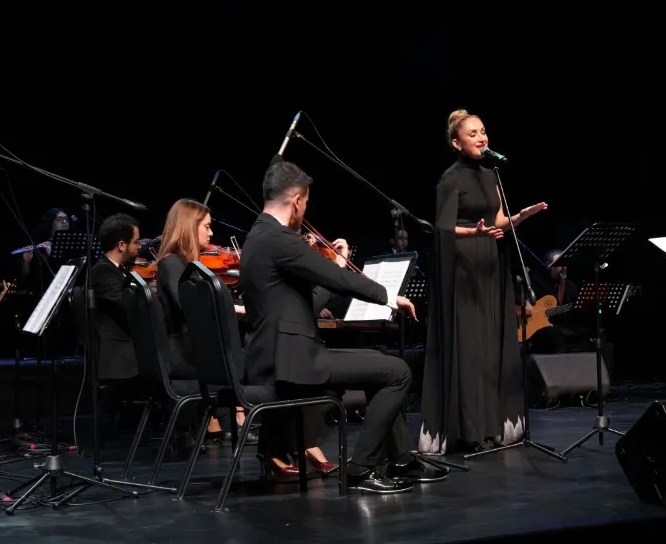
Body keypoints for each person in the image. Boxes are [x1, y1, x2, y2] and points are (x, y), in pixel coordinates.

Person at [239, 159, 442, 493]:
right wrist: (389, 297)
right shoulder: (279, 238)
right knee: (398, 372)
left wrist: (335, 266)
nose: (305, 210)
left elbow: (307, 300)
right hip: (293, 362)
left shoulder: (258, 236)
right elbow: (335, 278)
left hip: (283, 355)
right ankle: (360, 469)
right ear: (297, 201)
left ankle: (402, 460)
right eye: (306, 202)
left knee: (380, 363)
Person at [419, 109, 548, 455]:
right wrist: (472, 232)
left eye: (483, 131)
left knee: (491, 348)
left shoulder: (492, 173)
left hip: (491, 264)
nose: (481, 138)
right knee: (471, 349)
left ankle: (492, 425)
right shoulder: (450, 178)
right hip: (463, 269)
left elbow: (498, 220)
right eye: (472, 134)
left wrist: (520, 217)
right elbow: (441, 228)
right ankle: (469, 429)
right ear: (456, 143)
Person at [154, 199, 252, 443]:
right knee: (249, 360)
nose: (211, 233)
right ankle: (237, 418)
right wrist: (234, 308)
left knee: (242, 350)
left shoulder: (184, 264)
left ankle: (224, 420)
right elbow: (192, 308)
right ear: (189, 227)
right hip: (182, 352)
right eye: (206, 226)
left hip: (190, 348)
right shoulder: (171, 263)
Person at [89, 213, 142, 382]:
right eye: (136, 242)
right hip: (121, 357)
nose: (140, 246)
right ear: (121, 245)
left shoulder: (114, 269)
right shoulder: (103, 272)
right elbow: (127, 309)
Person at [525, 249, 583, 354]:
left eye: (565, 264)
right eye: (560, 264)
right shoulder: (536, 281)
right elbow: (518, 293)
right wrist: (526, 302)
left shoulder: (571, 287)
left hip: (564, 326)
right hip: (540, 329)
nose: (564, 268)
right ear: (549, 266)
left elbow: (576, 311)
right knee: (553, 334)